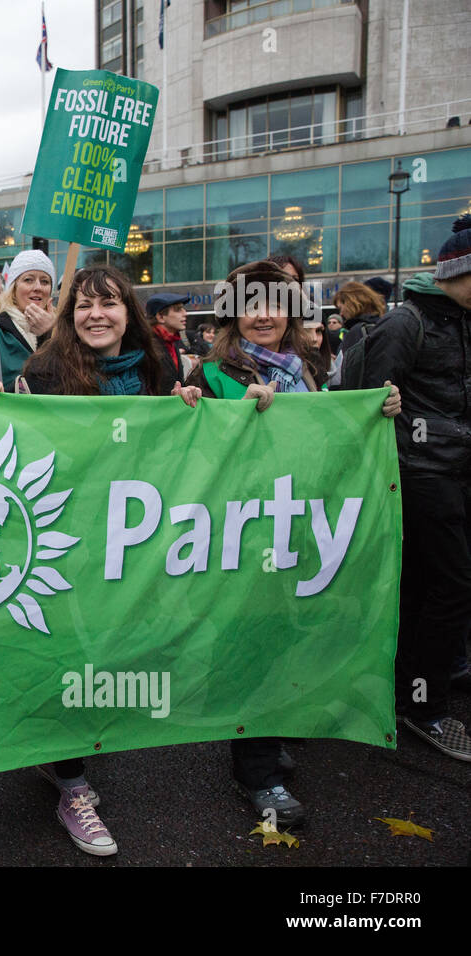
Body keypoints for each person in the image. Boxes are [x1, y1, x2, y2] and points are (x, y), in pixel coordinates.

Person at [186, 259, 400, 826]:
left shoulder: (309, 367)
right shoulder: (211, 374)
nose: (263, 315)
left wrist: (375, 414)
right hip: (241, 531)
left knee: (286, 635)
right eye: (251, 303)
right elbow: (190, 457)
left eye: (275, 303)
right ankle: (258, 775)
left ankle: (268, 731)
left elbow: (330, 434)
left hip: (298, 522)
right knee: (254, 641)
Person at [17, 265, 200, 856]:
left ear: (130, 313)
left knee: (107, 652)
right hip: (64, 539)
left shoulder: (157, 370)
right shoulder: (42, 372)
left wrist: (187, 409)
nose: (96, 314)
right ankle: (72, 785)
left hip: (129, 541)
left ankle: (59, 756)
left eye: (110, 303)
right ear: (69, 317)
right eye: (84, 306)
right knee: (73, 652)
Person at [357, 215, 471, 762]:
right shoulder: (408, 323)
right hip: (420, 476)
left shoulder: (462, 321)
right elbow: (370, 401)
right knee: (451, 586)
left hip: (457, 473)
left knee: (428, 588)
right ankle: (426, 706)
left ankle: (411, 689)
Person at [0, 249, 57, 391]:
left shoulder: (63, 333)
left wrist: (50, 334)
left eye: (45, 281)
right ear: (13, 288)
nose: (38, 287)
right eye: (28, 280)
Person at [145, 291, 192, 385]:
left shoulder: (171, 342)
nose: (185, 313)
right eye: (178, 310)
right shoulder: (147, 345)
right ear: (161, 317)